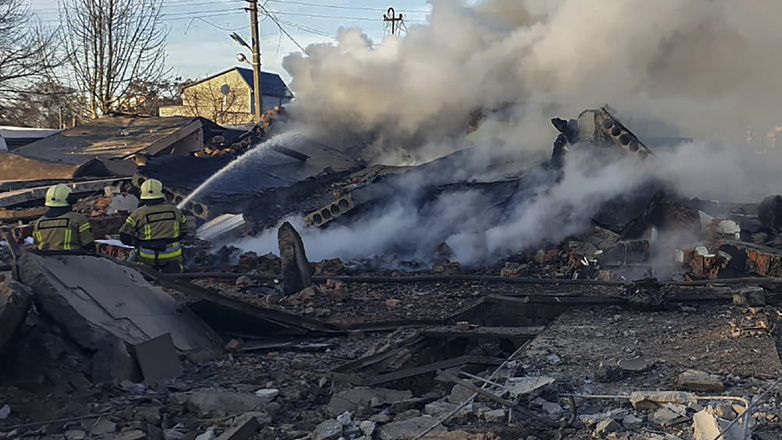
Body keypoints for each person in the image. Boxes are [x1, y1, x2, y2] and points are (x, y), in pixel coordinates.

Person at [119, 179, 187, 273]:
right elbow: (185, 230)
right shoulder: (175, 210)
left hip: (147, 254)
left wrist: (136, 242)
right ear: (162, 192)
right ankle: (178, 268)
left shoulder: (138, 213)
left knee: (133, 257)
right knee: (179, 258)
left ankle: (143, 269)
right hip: (172, 253)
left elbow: (124, 235)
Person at [33, 184, 94, 252]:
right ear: (69, 199)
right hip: (74, 260)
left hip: (47, 261)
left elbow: (36, 247)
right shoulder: (77, 219)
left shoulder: (38, 223)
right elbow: (89, 245)